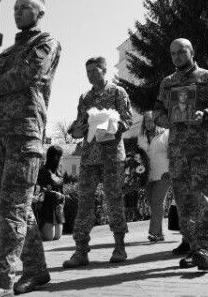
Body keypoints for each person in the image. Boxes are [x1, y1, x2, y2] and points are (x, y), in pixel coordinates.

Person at [0, 0, 61, 297]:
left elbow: (29, 74)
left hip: (25, 134)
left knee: (13, 208)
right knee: (15, 207)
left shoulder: (46, 43)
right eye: (16, 8)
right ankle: (36, 270)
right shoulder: (7, 52)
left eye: (26, 8)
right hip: (0, 135)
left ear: (40, 12)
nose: (19, 12)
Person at [153, 38, 208, 271]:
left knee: (205, 199)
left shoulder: (207, 78)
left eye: (181, 51)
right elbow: (157, 110)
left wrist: (206, 113)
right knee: (184, 203)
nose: (177, 56)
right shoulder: (167, 83)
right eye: (173, 53)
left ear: (192, 52)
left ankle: (205, 249)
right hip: (177, 152)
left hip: (202, 150)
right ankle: (195, 246)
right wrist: (164, 119)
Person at [63, 57, 132, 268]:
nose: (90, 75)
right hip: (89, 157)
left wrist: (111, 124)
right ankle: (80, 250)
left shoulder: (118, 92)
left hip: (112, 156)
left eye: (94, 70)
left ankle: (119, 247)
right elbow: (79, 125)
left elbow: (127, 120)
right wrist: (77, 130)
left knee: (114, 200)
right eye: (87, 72)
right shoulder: (85, 97)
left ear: (104, 70)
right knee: (84, 203)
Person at [137, 111, 170, 242]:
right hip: (147, 175)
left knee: (157, 202)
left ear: (156, 120)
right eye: (146, 121)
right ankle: (160, 233)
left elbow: (171, 152)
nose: (149, 123)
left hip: (164, 173)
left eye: (151, 120)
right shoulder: (141, 136)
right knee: (152, 203)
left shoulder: (165, 133)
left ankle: (154, 233)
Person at [36, 145, 65, 241]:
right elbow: (39, 189)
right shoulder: (43, 170)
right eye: (60, 156)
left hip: (57, 206)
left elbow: (61, 189)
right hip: (47, 207)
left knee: (57, 237)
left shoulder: (58, 171)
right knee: (49, 237)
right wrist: (53, 193)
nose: (62, 158)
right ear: (55, 157)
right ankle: (32, 234)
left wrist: (62, 199)